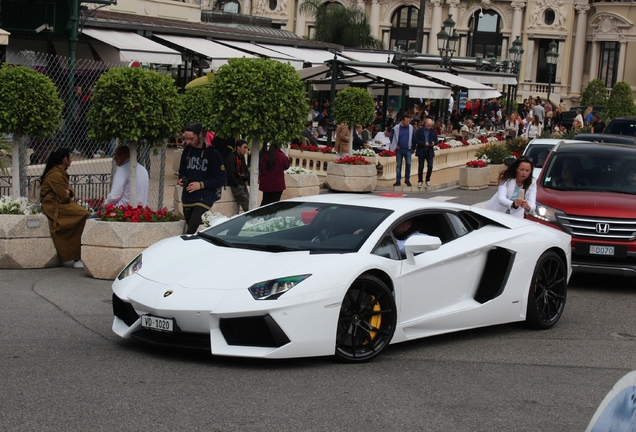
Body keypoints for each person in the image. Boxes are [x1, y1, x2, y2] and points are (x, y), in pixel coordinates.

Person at [40, 148, 90, 268]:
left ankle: (77, 255)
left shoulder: (60, 172)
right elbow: (63, 197)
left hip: (61, 203)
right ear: (64, 159)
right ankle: (76, 257)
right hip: (54, 206)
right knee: (84, 215)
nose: (72, 160)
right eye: (70, 158)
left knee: (85, 214)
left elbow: (69, 191)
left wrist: (69, 191)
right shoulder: (55, 175)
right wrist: (68, 191)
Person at [178, 121, 227, 234]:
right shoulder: (187, 150)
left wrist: (201, 185)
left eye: (191, 138)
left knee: (190, 230)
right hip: (188, 196)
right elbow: (182, 171)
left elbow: (221, 179)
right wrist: (182, 180)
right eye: (186, 138)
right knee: (190, 228)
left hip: (204, 197)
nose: (188, 142)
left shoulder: (212, 153)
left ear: (200, 134)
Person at [101, 145, 149, 209]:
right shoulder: (143, 169)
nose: (115, 158)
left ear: (127, 155)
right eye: (114, 155)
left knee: (90, 218)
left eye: (117, 155)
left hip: (123, 210)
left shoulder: (122, 170)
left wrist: (105, 204)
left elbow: (114, 196)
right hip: (141, 210)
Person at [259, 142, 290, 206]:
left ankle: (261, 215)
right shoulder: (281, 156)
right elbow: (286, 166)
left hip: (266, 184)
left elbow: (261, 168)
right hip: (277, 184)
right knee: (274, 205)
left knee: (265, 202)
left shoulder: (265, 156)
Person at [389, 115, 414, 187]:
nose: (408, 123)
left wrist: (413, 147)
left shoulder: (411, 127)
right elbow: (391, 137)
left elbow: (413, 137)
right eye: (406, 121)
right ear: (402, 121)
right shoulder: (396, 128)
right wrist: (394, 144)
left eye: (409, 121)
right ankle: (398, 180)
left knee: (408, 164)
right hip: (399, 149)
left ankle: (407, 179)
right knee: (399, 165)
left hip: (408, 149)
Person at [225, 139, 250, 212]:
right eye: (244, 147)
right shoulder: (232, 158)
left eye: (246, 148)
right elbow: (230, 174)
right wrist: (236, 185)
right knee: (246, 203)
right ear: (238, 147)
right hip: (236, 185)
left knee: (249, 201)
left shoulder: (241, 158)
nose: (245, 150)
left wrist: (246, 177)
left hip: (241, 183)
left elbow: (245, 170)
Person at [414, 118, 438, 188]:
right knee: (421, 167)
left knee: (430, 166)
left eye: (430, 126)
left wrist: (433, 143)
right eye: (428, 125)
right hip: (422, 150)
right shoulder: (420, 131)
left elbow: (436, 140)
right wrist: (424, 143)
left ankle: (427, 179)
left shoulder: (433, 131)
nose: (429, 127)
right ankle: (420, 180)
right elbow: (416, 140)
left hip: (429, 150)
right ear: (425, 124)